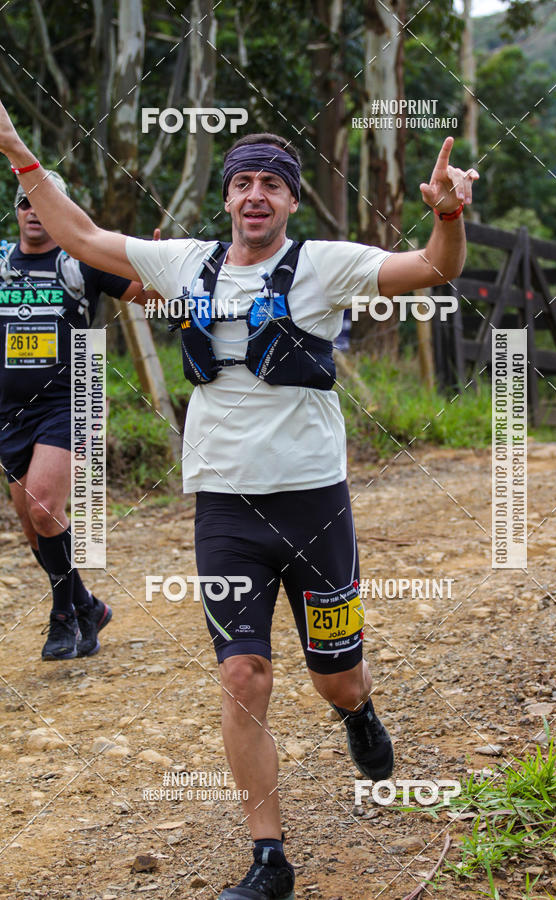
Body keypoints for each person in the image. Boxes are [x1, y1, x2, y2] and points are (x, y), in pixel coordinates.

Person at [0, 103, 477, 899]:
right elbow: (82, 238)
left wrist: (449, 216)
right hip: (223, 508)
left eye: (272, 185)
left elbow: (434, 269)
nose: (256, 195)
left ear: (292, 201)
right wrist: (19, 153)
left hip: (315, 506)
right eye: (243, 183)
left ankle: (357, 714)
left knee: (337, 677)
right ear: (227, 199)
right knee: (244, 674)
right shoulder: (185, 264)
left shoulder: (327, 265)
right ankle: (268, 859)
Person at [0, 169, 144, 662]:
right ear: (16, 210)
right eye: (24, 203)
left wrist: (165, 266)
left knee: (42, 507)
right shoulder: (0, 262)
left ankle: (63, 618)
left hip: (73, 395)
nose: (34, 211)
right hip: (10, 410)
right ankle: (88, 604)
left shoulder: (82, 261)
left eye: (45, 201)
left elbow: (149, 293)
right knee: (31, 520)